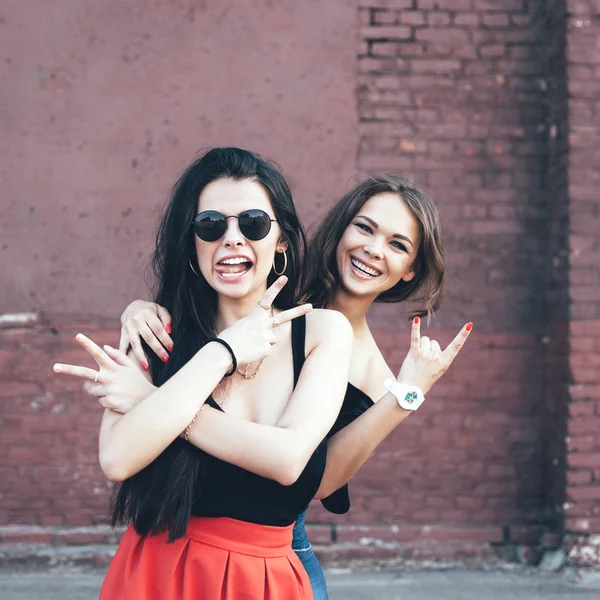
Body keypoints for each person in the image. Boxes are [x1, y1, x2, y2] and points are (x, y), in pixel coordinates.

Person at [113, 174, 472, 599]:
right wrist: (141, 310)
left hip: (279, 543)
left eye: (397, 245)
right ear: (340, 229)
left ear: (410, 268)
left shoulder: (376, 374)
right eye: (365, 228)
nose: (374, 250)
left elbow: (316, 482)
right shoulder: (265, 290)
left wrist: (406, 395)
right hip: (184, 530)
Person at [53, 147, 354, 599]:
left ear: (282, 241)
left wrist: (151, 403)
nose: (231, 239)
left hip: (265, 582)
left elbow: (288, 460)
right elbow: (117, 458)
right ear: (192, 243)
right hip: (159, 576)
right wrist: (222, 354)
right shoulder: (154, 330)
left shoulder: (322, 332)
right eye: (211, 226)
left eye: (252, 223)